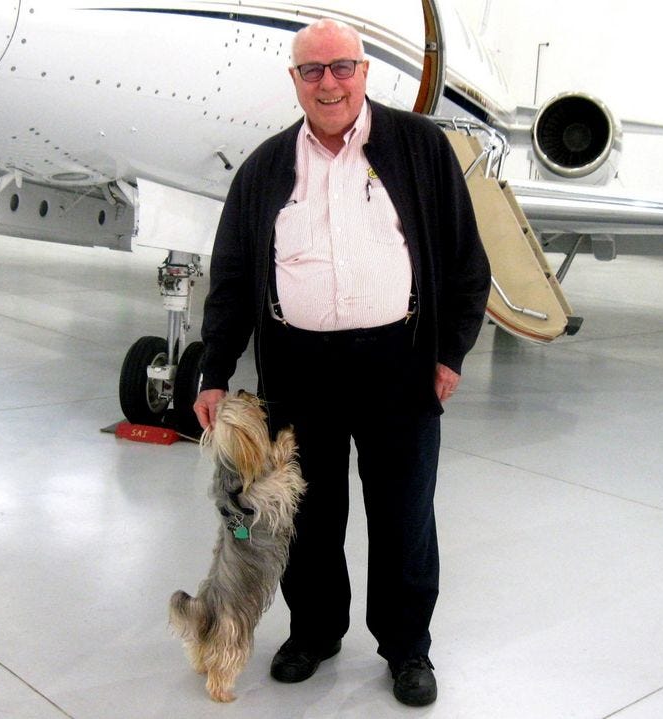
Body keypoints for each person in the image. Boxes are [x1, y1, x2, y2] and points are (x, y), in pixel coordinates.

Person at [193, 18, 490, 708]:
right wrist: (214, 372)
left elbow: (465, 260)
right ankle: (315, 631)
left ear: (364, 72)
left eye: (341, 67)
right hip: (298, 369)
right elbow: (232, 276)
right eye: (312, 70)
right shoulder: (266, 167)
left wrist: (449, 354)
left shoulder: (419, 148)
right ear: (295, 80)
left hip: (399, 362)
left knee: (404, 515)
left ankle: (407, 646)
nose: (329, 83)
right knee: (308, 516)